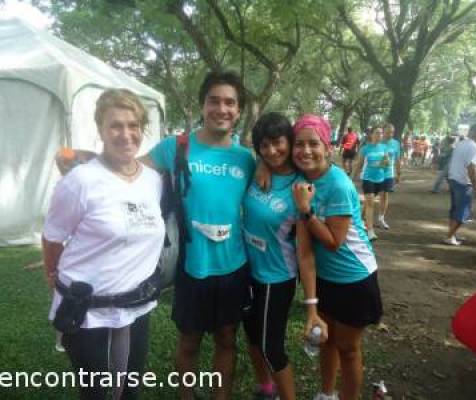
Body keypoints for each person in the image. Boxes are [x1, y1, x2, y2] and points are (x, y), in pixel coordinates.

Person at [43, 89, 165, 399]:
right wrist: (53, 277)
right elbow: (53, 236)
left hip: (136, 307)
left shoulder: (153, 181)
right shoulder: (81, 181)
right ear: (100, 130)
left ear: (142, 128)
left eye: (133, 125)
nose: (126, 134)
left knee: (130, 391)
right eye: (115, 126)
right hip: (88, 312)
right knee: (97, 393)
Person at [144, 70, 256, 400]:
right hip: (191, 265)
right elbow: (130, 172)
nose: (221, 109)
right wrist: (88, 164)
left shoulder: (245, 159)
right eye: (214, 101)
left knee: (226, 337)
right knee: (189, 340)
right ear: (203, 105)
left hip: (233, 264)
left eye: (230, 103)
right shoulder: (175, 147)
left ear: (239, 111)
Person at [291, 114, 383, 400]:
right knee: (326, 340)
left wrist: (306, 211)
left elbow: (333, 242)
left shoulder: (338, 184)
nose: (306, 150)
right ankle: (326, 394)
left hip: (354, 277)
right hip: (325, 277)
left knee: (348, 348)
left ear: (328, 147)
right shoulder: (302, 177)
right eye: (299, 144)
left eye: (313, 143)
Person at [243, 112, 326, 400]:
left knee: (271, 347)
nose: (271, 150)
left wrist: (311, 306)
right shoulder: (259, 169)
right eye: (263, 146)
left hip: (276, 278)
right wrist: (262, 163)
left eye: (277, 142)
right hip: (247, 271)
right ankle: (267, 389)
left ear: (289, 141)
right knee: (253, 338)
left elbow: (305, 252)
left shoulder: (300, 188)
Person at [443, 123, 476, 246]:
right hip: (463, 182)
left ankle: (452, 235)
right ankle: (449, 236)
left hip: (454, 179)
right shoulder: (473, 147)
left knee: (455, 210)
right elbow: (471, 168)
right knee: (463, 213)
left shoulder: (461, 144)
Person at [353, 126, 387, 241]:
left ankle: (358, 218)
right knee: (371, 203)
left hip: (380, 179)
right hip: (367, 178)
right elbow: (359, 164)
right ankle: (370, 231)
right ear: (371, 135)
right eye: (377, 133)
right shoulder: (365, 149)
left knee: (368, 203)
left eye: (381, 133)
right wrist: (353, 177)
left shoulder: (384, 147)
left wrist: (383, 164)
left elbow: (386, 163)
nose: (380, 135)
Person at [378, 123, 401, 230]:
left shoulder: (396, 143)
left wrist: (398, 173)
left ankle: (381, 218)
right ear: (383, 132)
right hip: (375, 173)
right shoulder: (377, 142)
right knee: (371, 196)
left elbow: (397, 159)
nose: (390, 134)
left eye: (392, 132)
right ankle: (363, 217)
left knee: (385, 195)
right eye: (387, 132)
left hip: (388, 174)